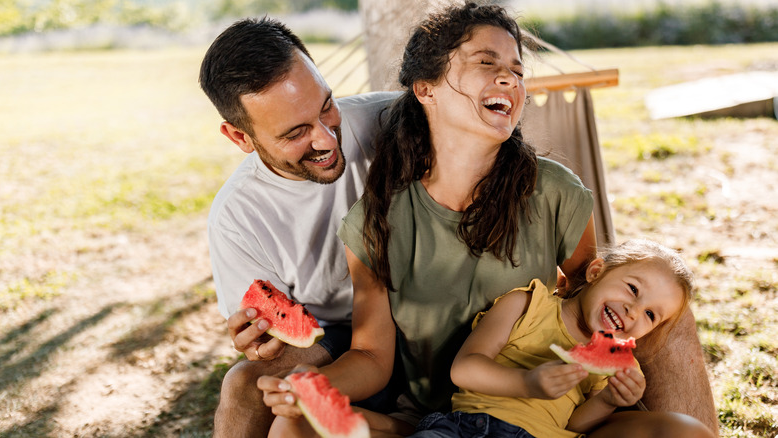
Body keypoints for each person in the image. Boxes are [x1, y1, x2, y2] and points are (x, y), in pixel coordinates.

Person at [260, 3, 716, 437]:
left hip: (545, 419)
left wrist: (613, 389)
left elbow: (588, 296)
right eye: (486, 61)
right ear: (426, 89)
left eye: (518, 70)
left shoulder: (556, 191)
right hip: (436, 419)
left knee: (686, 433)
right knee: (291, 425)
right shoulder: (376, 222)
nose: (509, 77)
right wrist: (311, 383)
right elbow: (371, 355)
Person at [198, 17, 398, 437]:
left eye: (326, 105)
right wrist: (260, 337)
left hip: (425, 310)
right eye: (296, 133)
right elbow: (267, 337)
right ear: (240, 137)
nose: (327, 139)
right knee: (242, 384)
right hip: (337, 336)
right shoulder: (236, 218)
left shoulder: (391, 120)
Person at [411, 239, 714, 438]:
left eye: (650, 315)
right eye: (633, 289)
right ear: (596, 271)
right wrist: (526, 383)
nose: (634, 312)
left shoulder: (618, 367)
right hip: (465, 428)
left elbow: (575, 425)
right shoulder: (527, 304)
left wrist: (609, 400)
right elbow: (463, 369)